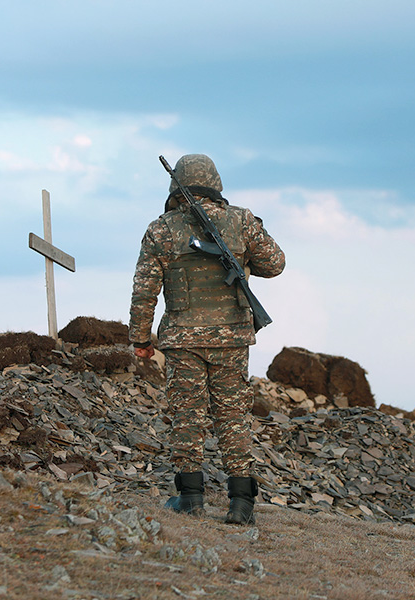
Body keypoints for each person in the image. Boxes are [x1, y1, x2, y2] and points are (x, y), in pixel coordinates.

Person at [129, 153, 285, 525]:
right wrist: (242, 257)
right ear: (216, 183)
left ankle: (191, 498)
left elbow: (144, 291)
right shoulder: (242, 220)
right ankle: (241, 503)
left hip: (183, 339)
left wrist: (140, 338)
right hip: (231, 337)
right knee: (233, 416)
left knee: (187, 415)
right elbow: (274, 264)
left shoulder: (160, 229)